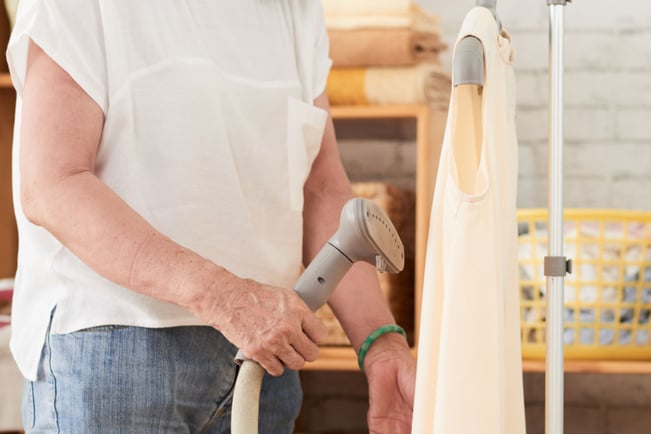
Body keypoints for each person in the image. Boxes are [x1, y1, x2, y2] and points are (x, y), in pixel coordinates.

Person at [7, 1, 415, 433]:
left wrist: (380, 345)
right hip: (117, 352)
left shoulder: (295, 11)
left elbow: (320, 188)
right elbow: (53, 185)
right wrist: (225, 298)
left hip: (265, 360)